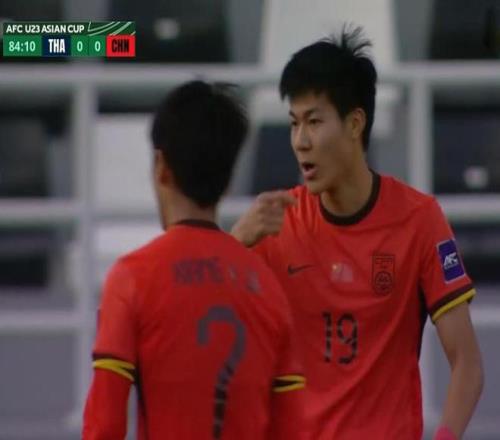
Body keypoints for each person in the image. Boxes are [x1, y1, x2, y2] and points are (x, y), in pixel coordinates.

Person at [231, 27, 484, 440]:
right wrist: (234, 243)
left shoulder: (420, 220)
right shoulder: (275, 224)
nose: (300, 141)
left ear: (354, 123)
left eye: (314, 122)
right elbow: (197, 325)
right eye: (294, 123)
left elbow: (467, 364)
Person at [82, 80, 306, 440]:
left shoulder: (132, 278)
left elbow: (104, 426)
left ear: (161, 167)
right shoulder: (269, 290)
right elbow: (292, 430)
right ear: (227, 182)